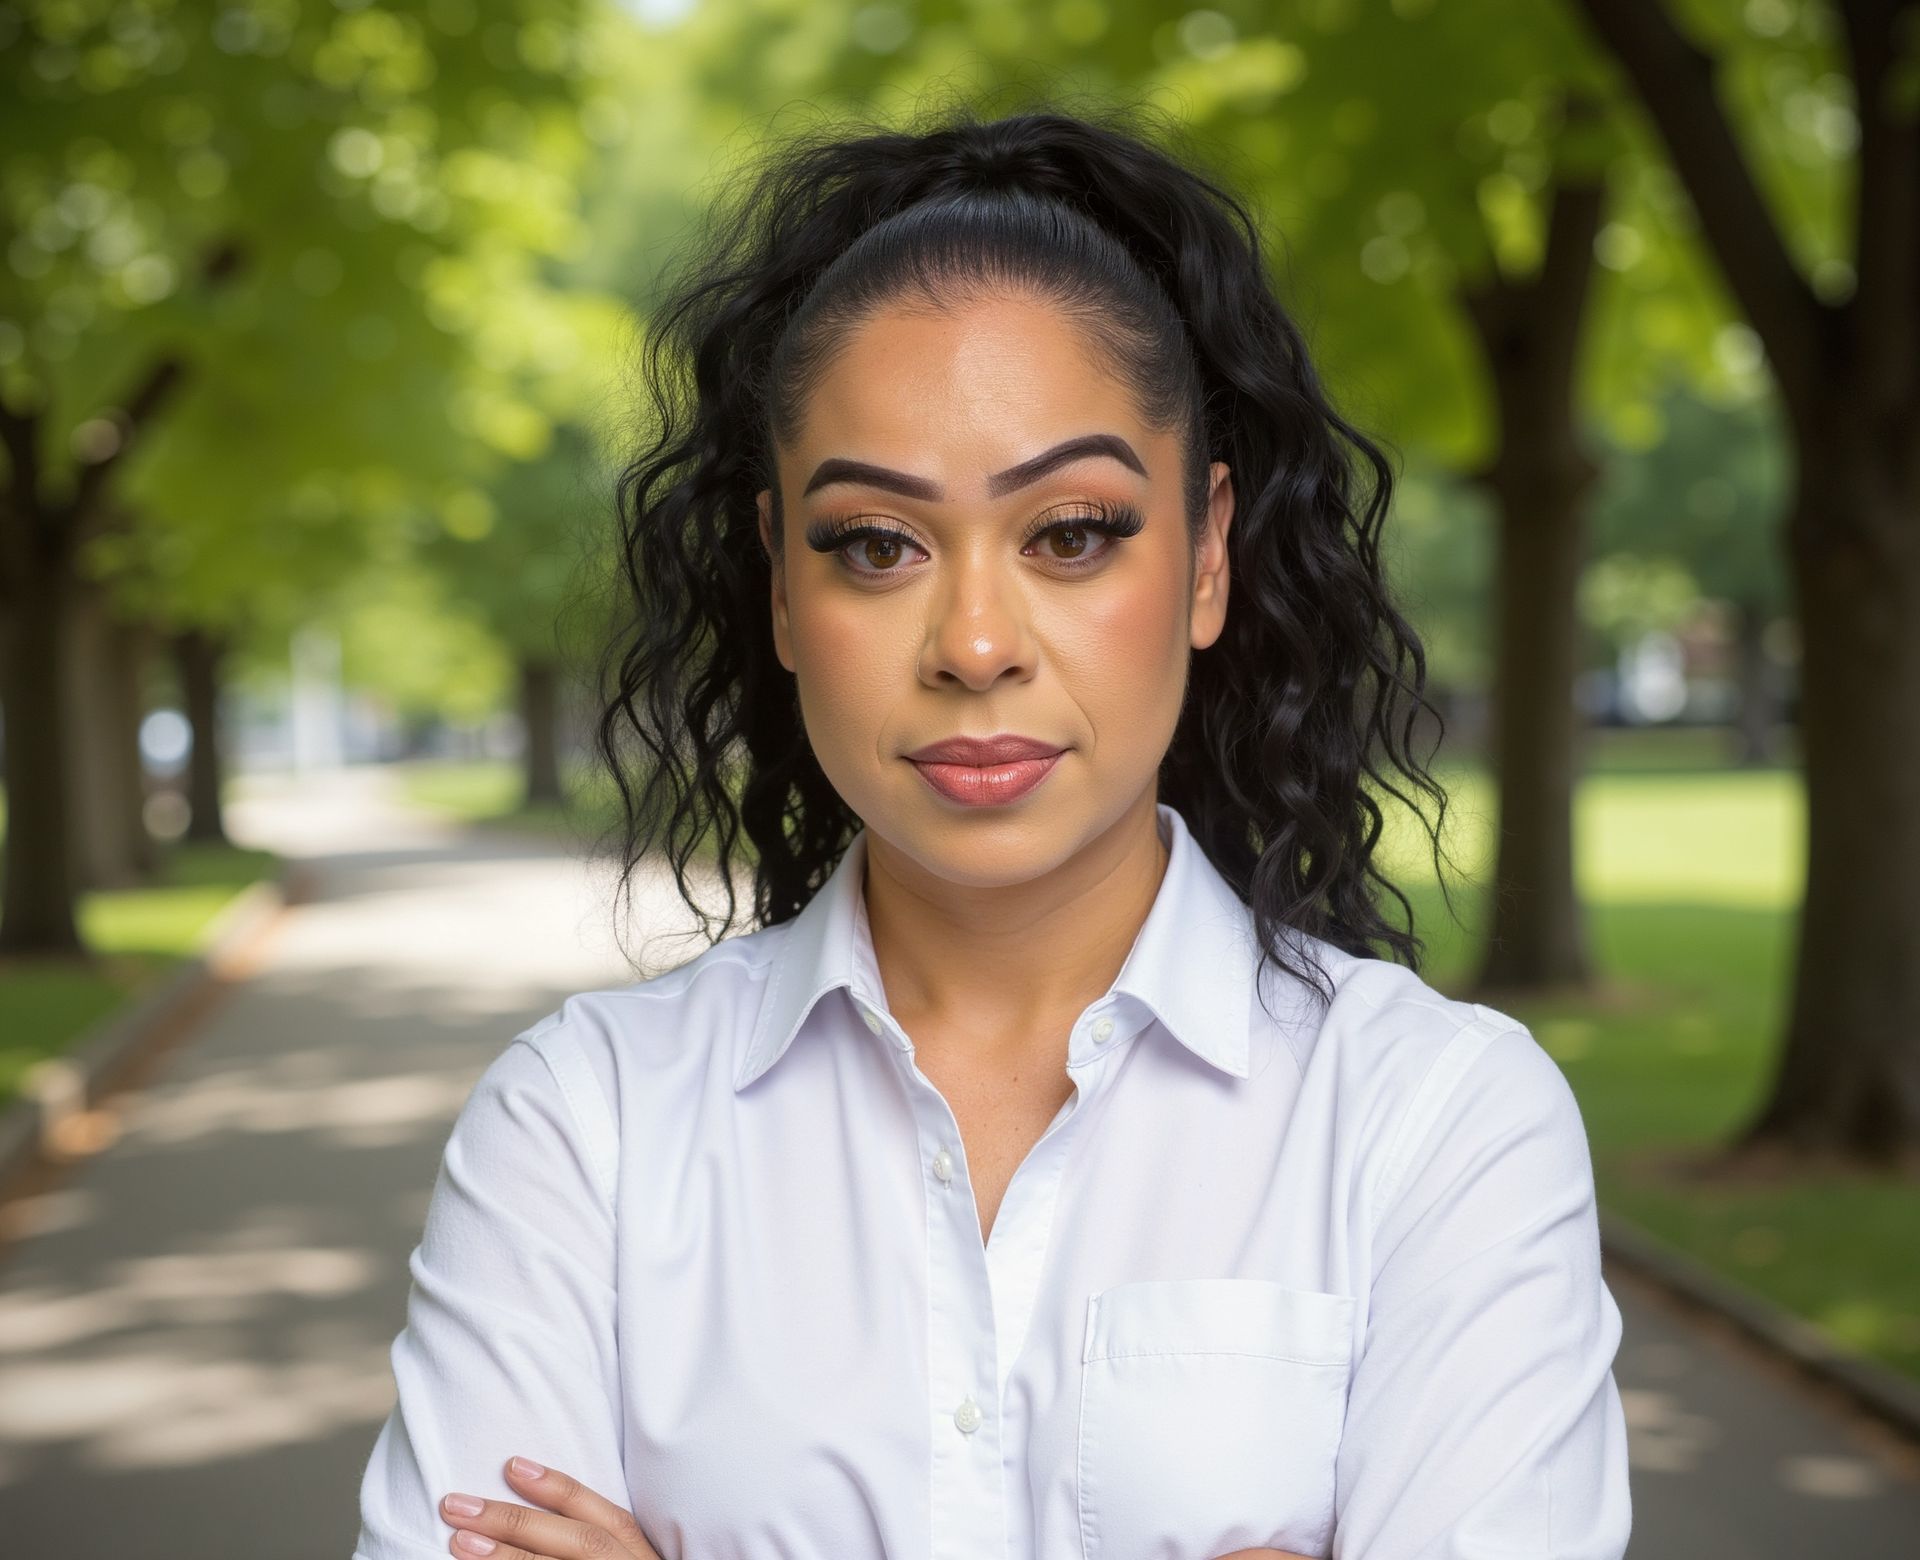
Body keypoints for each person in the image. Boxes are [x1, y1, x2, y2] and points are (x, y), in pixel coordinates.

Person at [351, 101, 1632, 1560]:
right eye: (876, 544)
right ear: (783, 586)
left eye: (1072, 532)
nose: (973, 642)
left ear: (1208, 554)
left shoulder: (1439, 1127)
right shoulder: (584, 1130)